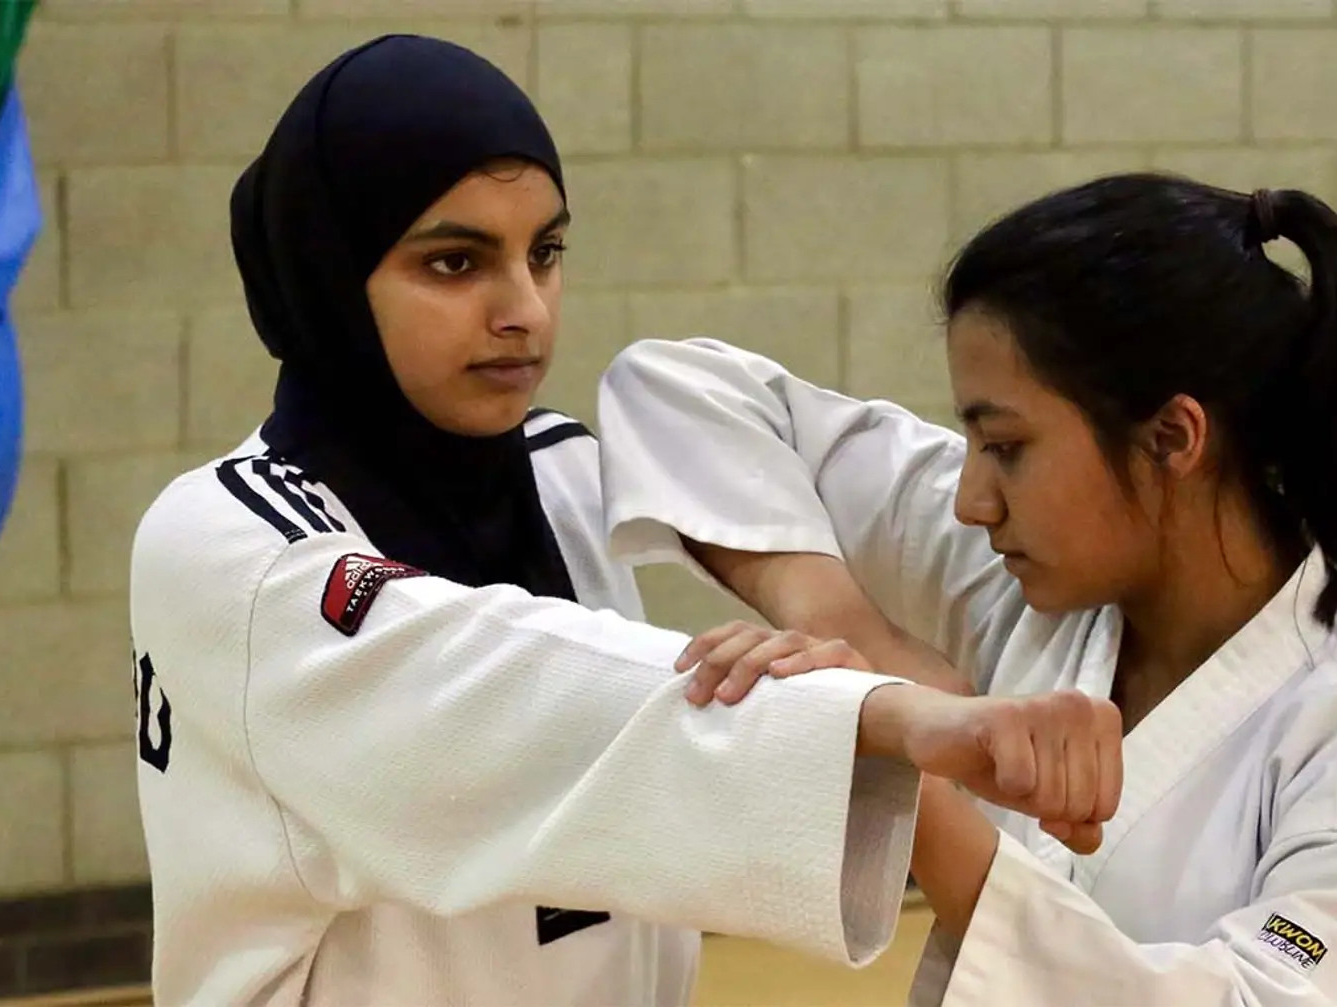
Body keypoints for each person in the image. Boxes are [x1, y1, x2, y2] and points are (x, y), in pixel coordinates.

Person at [126, 35, 1123, 1007]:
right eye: (454, 263)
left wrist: (829, 625)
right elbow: (512, 695)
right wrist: (886, 712)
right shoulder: (227, 543)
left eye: (545, 252)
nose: (524, 308)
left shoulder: (561, 473)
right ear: (327, 275)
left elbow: (701, 419)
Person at [595, 173, 1337, 1006]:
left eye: (1006, 445)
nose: (969, 498)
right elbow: (675, 389)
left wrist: (901, 765)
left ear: (1172, 439)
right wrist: (854, 636)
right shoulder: (1023, 589)